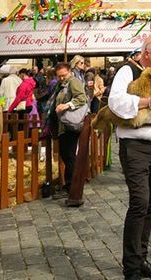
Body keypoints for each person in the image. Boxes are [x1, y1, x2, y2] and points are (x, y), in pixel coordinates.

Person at [109, 33, 151, 280]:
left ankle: (141, 259)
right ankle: (131, 268)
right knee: (139, 203)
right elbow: (115, 102)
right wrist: (148, 100)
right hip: (135, 146)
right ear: (146, 52)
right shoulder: (127, 71)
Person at [53, 62, 87, 199]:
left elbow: (81, 98)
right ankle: (68, 185)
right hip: (63, 124)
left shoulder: (73, 82)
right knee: (65, 154)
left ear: (69, 71)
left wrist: (66, 105)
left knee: (69, 155)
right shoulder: (61, 85)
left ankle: (73, 187)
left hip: (70, 124)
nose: (61, 78)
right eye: (59, 76)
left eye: (63, 75)